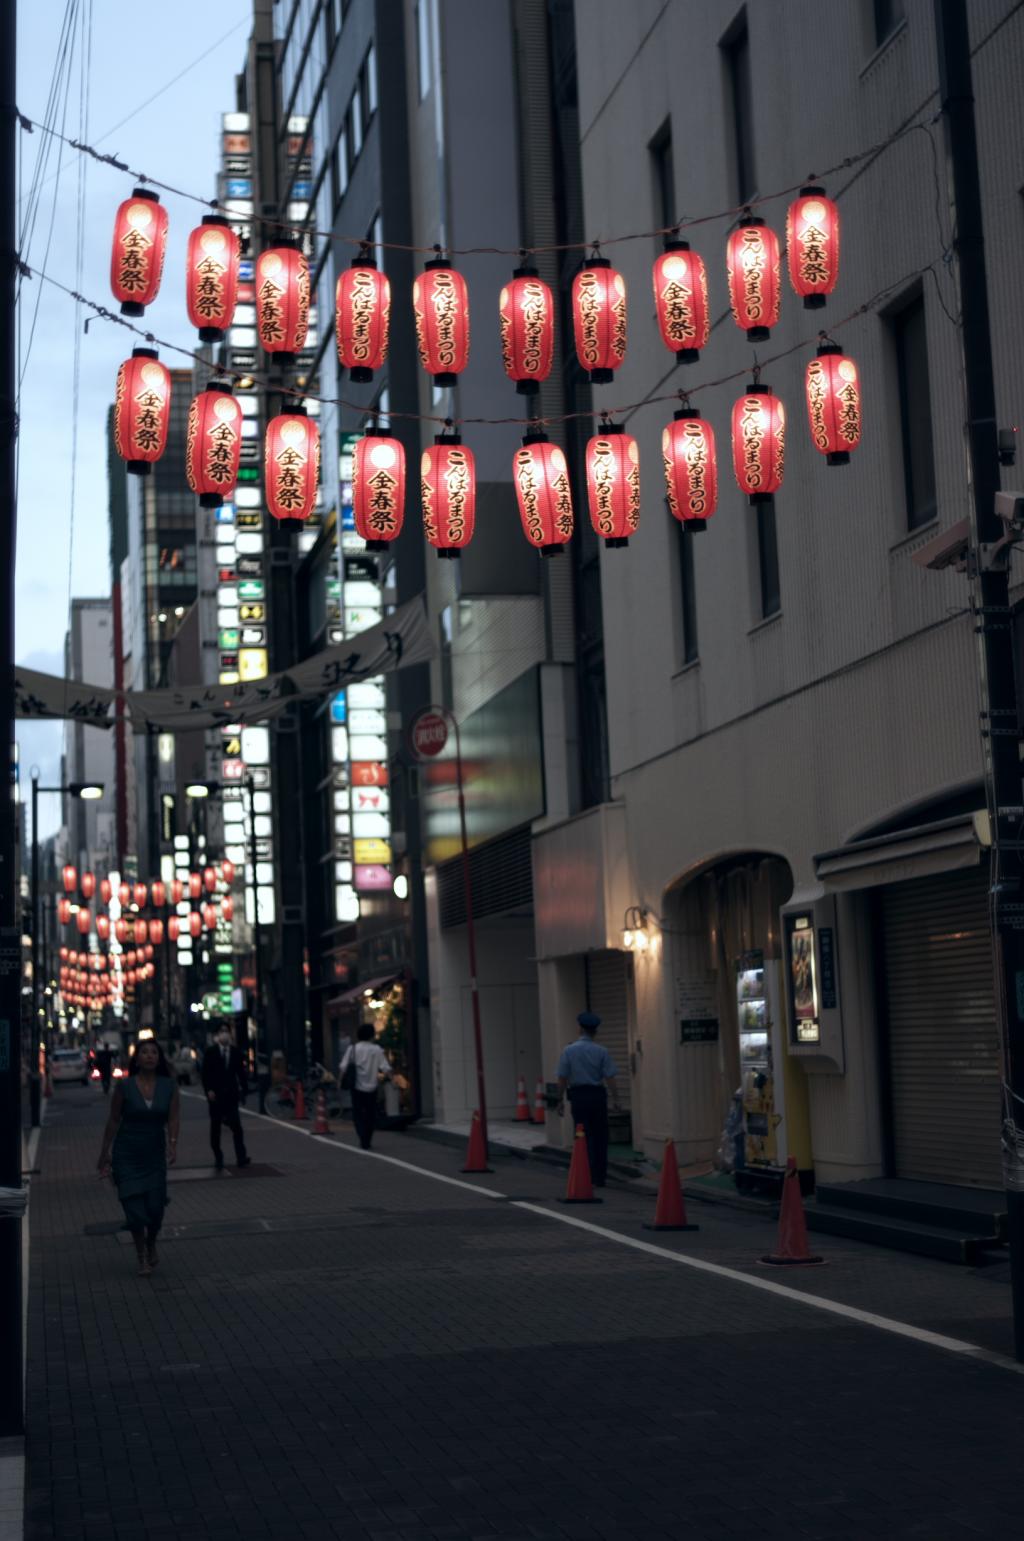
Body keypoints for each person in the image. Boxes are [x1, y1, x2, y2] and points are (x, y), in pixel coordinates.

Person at [97, 1037, 179, 1276]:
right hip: (127, 1153)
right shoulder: (124, 1086)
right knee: (134, 1210)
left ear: (159, 1058)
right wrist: (104, 1152)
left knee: (155, 1209)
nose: (150, 1056)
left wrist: (173, 1144)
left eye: (154, 1052)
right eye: (145, 1052)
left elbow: (173, 1118)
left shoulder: (169, 1086)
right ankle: (141, 1255)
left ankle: (151, 1241)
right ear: (137, 1058)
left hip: (154, 1153)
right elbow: (113, 1119)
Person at [555, 1011, 619, 1187]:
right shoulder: (602, 1051)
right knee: (600, 1136)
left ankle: (585, 1173)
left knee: (581, 1135)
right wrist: (616, 1099)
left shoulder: (568, 1051)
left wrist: (559, 1099)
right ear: (595, 1031)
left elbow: (562, 1077)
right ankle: (600, 1176)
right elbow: (610, 1077)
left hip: (579, 1097)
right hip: (597, 1096)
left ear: (580, 1029)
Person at [201, 1026, 251, 1171]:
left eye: (227, 1032)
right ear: (217, 1036)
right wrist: (208, 1090)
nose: (224, 1035)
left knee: (237, 1127)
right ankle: (218, 1157)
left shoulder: (235, 1052)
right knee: (215, 1128)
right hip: (215, 1095)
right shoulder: (211, 1052)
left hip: (231, 1095)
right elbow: (205, 1074)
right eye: (222, 1032)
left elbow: (240, 1073)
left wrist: (244, 1090)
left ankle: (241, 1157)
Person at [340, 1024, 392, 1150]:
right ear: (372, 1035)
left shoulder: (352, 1049)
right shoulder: (376, 1049)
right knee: (370, 1114)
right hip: (372, 1087)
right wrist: (392, 1079)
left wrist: (339, 1081)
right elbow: (385, 1068)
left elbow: (343, 1067)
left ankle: (362, 1136)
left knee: (358, 1114)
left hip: (356, 1087)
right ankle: (367, 1138)